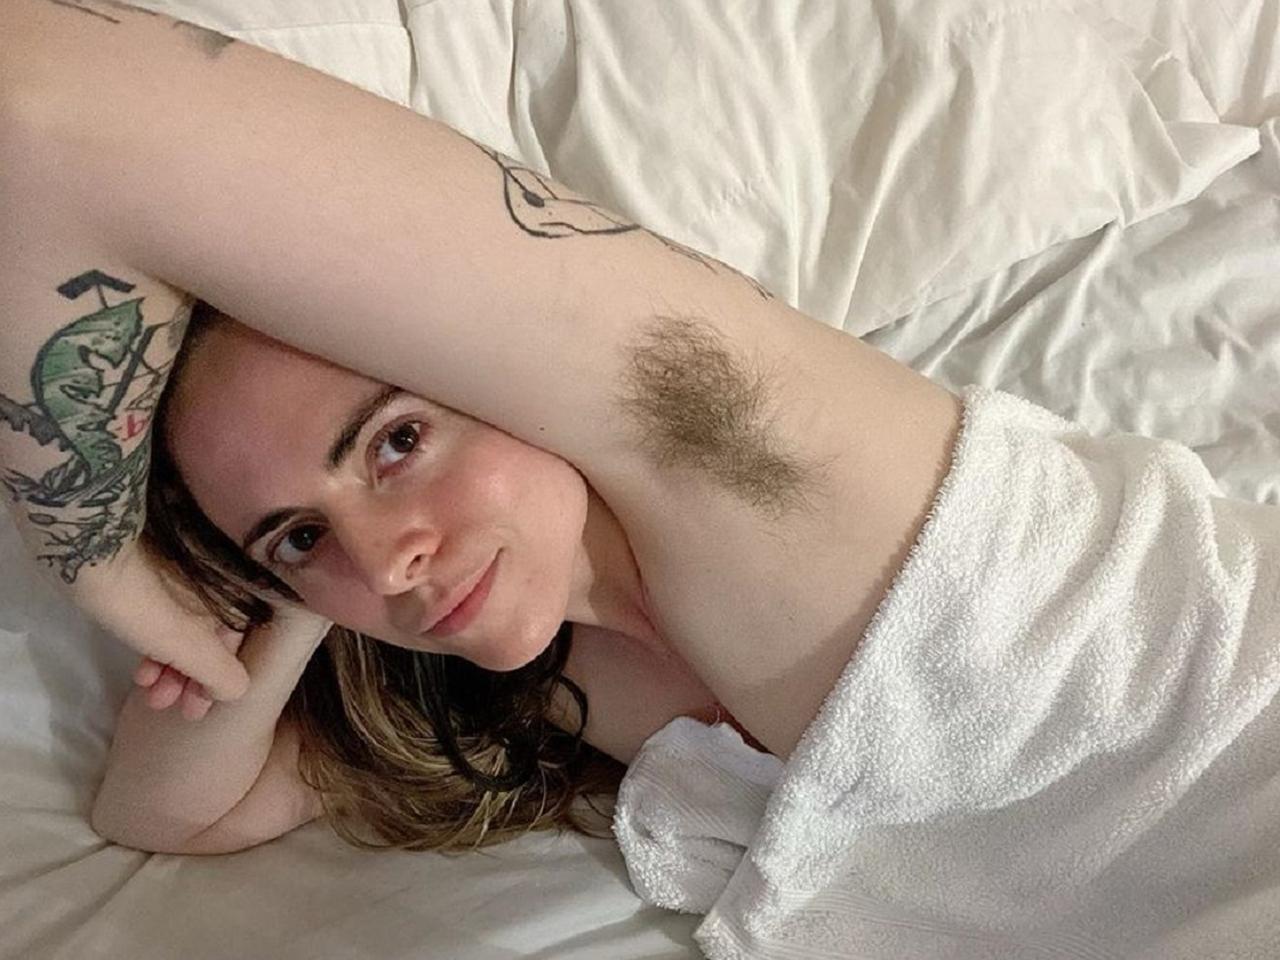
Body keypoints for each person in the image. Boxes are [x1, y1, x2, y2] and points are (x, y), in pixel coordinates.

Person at [0, 0, 961, 852]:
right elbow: (163, 818)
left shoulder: (733, 417)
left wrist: (97, 566)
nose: (386, 568)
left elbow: (29, 96)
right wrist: (260, 611)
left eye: (397, 442)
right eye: (299, 534)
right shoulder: (523, 693)